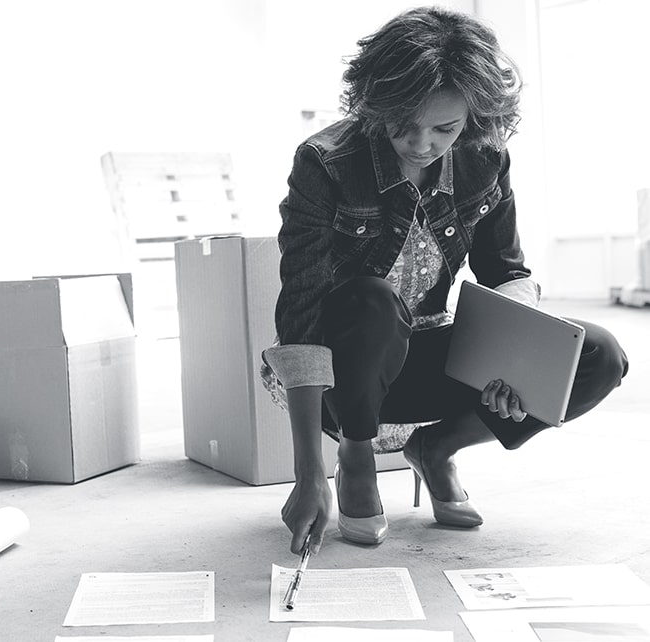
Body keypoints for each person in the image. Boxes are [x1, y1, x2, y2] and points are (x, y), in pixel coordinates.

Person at [260, 6, 628, 555]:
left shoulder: (485, 160)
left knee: (597, 354)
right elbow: (302, 312)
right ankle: (355, 457)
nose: (421, 143)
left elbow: (509, 273)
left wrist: (516, 360)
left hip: (430, 357)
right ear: (376, 101)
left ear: (473, 118)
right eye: (404, 123)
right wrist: (306, 471)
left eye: (444, 128)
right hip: (346, 375)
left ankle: (436, 449)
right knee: (370, 298)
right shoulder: (326, 162)